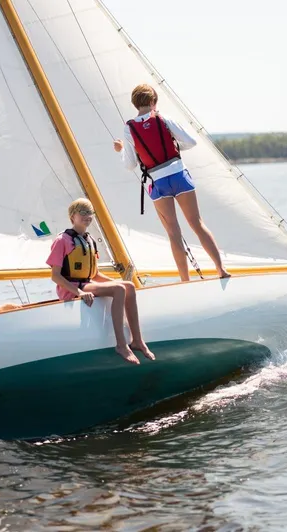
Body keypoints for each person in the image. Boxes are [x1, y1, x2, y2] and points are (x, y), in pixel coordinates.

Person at [113, 83, 230, 281]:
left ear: (135, 104)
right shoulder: (163, 118)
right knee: (197, 224)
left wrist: (121, 150)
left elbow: (130, 164)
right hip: (178, 174)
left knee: (173, 232)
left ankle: (185, 280)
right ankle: (221, 270)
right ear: (153, 102)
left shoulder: (129, 128)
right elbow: (191, 142)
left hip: (157, 182)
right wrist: (173, 146)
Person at [46, 198, 155, 365]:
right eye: (82, 212)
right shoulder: (62, 240)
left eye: (90, 213)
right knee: (119, 290)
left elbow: (94, 274)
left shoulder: (89, 240)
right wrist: (80, 293)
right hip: (73, 287)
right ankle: (121, 345)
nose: (87, 216)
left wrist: (116, 282)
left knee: (129, 286)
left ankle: (137, 341)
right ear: (72, 216)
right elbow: (55, 276)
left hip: (87, 283)